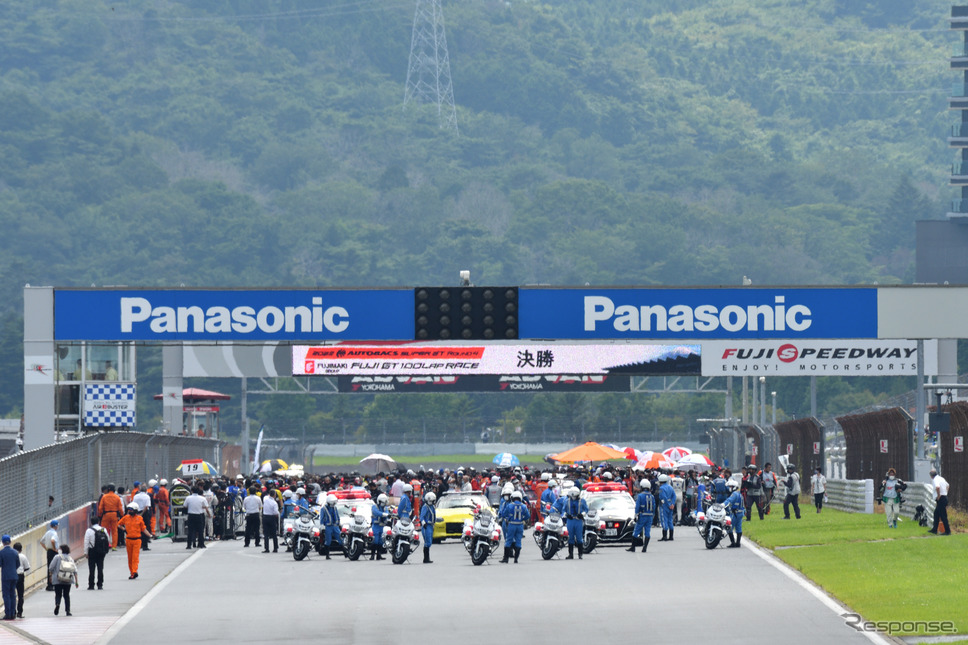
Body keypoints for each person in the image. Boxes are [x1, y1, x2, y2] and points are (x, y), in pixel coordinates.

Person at [47, 545, 78, 616]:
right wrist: (76, 581)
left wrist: (50, 576)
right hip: (68, 579)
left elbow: (51, 567)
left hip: (58, 579)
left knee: (58, 594)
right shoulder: (70, 558)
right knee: (66, 595)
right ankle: (68, 610)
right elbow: (75, 570)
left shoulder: (57, 557)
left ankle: (57, 604)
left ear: (61, 550)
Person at [499, 490, 529, 563]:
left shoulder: (510, 505)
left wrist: (509, 518)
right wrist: (522, 518)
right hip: (520, 525)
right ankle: (516, 559)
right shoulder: (524, 506)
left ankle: (506, 558)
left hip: (511, 524)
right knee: (518, 541)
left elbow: (503, 514)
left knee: (509, 540)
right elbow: (528, 516)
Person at [117, 503, 146, 578]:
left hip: (137, 540)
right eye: (129, 509)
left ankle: (134, 571)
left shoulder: (139, 518)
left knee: (135, 557)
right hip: (128, 540)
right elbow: (119, 524)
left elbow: (143, 529)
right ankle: (132, 572)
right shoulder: (126, 518)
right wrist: (124, 529)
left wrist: (150, 535)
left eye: (131, 510)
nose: (130, 511)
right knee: (130, 557)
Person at [628, 479, 655, 553]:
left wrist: (636, 515)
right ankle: (645, 548)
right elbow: (654, 507)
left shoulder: (640, 496)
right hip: (649, 516)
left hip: (642, 515)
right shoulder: (652, 496)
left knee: (636, 531)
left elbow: (637, 506)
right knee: (647, 532)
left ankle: (633, 547)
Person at [560, 486, 588, 560]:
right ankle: (571, 554)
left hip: (578, 520)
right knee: (570, 537)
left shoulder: (582, 501)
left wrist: (582, 514)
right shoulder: (567, 501)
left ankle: (580, 554)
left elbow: (586, 509)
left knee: (579, 538)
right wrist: (566, 515)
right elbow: (563, 510)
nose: (573, 497)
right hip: (570, 520)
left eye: (574, 496)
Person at [83, 520, 110, 590]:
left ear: (91, 523)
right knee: (100, 567)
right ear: (98, 522)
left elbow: (86, 542)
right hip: (101, 551)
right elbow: (108, 539)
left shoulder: (89, 531)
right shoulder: (103, 529)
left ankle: (91, 585)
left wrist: (86, 552)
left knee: (91, 569)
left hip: (92, 551)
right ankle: (100, 584)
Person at [98, 484, 124, 549]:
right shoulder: (117, 497)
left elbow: (100, 508)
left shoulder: (104, 497)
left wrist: (100, 515)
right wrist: (122, 515)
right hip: (114, 515)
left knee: (104, 530)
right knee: (114, 531)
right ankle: (114, 546)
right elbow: (120, 508)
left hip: (106, 515)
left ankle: (105, 544)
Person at [320, 494, 344, 559]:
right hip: (328, 526)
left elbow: (337, 516)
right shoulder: (323, 509)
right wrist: (322, 525)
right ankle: (327, 555)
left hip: (335, 526)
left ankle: (345, 552)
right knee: (328, 540)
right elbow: (321, 517)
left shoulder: (335, 508)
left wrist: (339, 523)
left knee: (340, 538)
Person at [928, 468, 951, 535]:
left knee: (943, 515)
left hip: (941, 499)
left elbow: (937, 487)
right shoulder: (941, 478)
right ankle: (934, 529)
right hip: (944, 497)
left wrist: (939, 495)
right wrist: (945, 493)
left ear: (931, 476)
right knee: (936, 513)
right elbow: (948, 485)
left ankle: (947, 531)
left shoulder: (935, 480)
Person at [0, 535, 18, 620]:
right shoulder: (15, 552)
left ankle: (8, 614)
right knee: (13, 594)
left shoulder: (1, 552)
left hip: (6, 576)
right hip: (14, 575)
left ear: (3, 543)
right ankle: (13, 613)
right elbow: (18, 564)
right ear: (10, 542)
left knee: (6, 595)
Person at [725, 479, 745, 547]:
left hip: (735, 513)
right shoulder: (739, 494)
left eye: (730, 487)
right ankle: (738, 542)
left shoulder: (734, 494)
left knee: (729, 527)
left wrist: (723, 504)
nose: (729, 488)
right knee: (738, 527)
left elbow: (729, 500)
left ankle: (733, 542)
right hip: (740, 513)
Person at [40, 520, 59, 591]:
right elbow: (53, 541)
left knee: (49, 567)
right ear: (55, 526)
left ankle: (49, 584)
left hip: (49, 551)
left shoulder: (47, 532)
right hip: (53, 552)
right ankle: (53, 583)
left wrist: (47, 548)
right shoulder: (54, 533)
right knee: (54, 568)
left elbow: (41, 541)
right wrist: (54, 548)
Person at [370, 493, 390, 560]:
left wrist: (388, 515)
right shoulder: (374, 506)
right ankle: (372, 555)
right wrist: (384, 514)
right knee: (375, 540)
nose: (384, 504)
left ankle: (379, 555)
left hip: (382, 526)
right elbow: (376, 512)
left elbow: (387, 513)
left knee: (381, 541)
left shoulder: (385, 508)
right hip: (376, 526)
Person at [658, 474, 676, 541]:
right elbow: (674, 496)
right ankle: (671, 536)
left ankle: (664, 536)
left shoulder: (661, 488)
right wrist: (672, 504)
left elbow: (663, 497)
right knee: (670, 520)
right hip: (671, 505)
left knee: (664, 520)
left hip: (664, 505)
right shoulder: (670, 487)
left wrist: (668, 504)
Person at [420, 492, 437, 563]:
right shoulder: (425, 507)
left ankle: (427, 558)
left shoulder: (432, 507)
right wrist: (424, 524)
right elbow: (422, 516)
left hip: (430, 525)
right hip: (426, 526)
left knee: (429, 541)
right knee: (427, 542)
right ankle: (426, 558)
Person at [262, 488, 280, 553]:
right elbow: (276, 512)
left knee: (266, 534)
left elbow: (265, 497)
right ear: (275, 495)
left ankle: (266, 548)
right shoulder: (274, 503)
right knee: (274, 533)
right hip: (272, 517)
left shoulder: (265, 499)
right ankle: (275, 548)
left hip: (265, 517)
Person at [14, 542, 29, 618]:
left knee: (12, 594)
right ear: (21, 549)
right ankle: (19, 612)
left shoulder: (12, 555)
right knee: (20, 595)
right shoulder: (23, 556)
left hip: (12, 575)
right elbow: (27, 567)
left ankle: (13, 612)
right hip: (20, 575)